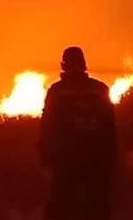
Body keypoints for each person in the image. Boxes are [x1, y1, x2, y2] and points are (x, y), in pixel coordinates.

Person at [40, 46, 117, 220]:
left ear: (63, 65)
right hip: (96, 157)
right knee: (98, 205)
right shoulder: (100, 89)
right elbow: (109, 126)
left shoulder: (57, 91)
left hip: (65, 158)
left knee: (59, 207)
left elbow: (47, 126)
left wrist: (45, 158)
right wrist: (110, 157)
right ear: (84, 64)